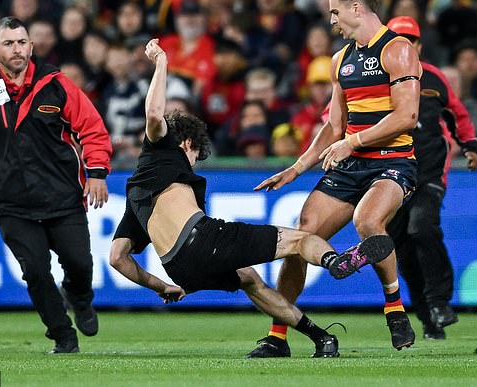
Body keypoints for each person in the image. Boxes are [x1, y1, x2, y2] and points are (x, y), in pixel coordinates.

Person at [109, 39, 397, 358]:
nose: (194, 162)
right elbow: (153, 113)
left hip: (178, 269)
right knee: (301, 240)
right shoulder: (161, 150)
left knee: (250, 279)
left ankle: (320, 338)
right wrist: (161, 61)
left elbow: (118, 258)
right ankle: (336, 261)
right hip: (204, 240)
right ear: (186, 142)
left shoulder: (134, 194)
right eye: (196, 155)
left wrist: (160, 286)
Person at [247, 0, 422, 357]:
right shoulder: (340, 60)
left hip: (393, 161)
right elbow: (333, 125)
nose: (332, 21)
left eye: (335, 12)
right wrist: (296, 168)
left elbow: (407, 115)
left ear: (356, 7)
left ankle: (393, 306)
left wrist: (352, 142)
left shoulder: (398, 50)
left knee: (368, 221)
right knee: (299, 239)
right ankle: (279, 335)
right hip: (350, 163)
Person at [0, 17, 113, 354]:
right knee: (34, 270)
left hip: (62, 196)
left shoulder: (57, 84)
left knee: (80, 263)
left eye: (21, 42)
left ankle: (79, 297)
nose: (16, 49)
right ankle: (63, 335)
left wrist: (97, 172)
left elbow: (92, 128)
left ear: (31, 46)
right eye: (9, 43)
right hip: (10, 204)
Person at [386, 16, 477, 340]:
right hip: (391, 175)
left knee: (422, 228)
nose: (403, 47)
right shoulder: (374, 80)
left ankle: (440, 302)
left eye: (408, 41)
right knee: (404, 252)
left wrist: (469, 145)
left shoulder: (434, 78)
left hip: (428, 171)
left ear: (418, 46)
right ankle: (430, 318)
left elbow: (457, 113)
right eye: (397, 40)